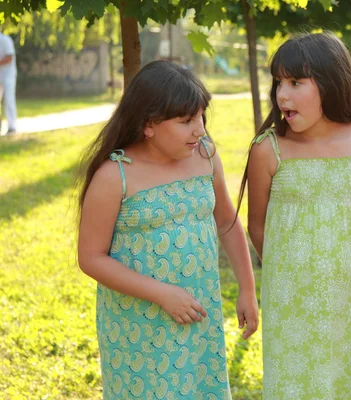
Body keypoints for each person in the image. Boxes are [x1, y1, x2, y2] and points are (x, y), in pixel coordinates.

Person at [77, 60, 258, 399]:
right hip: (139, 322)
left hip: (198, 308)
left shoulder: (205, 155)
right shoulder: (115, 176)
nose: (200, 129)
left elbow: (227, 222)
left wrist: (247, 289)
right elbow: (91, 258)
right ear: (149, 124)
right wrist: (162, 294)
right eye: (186, 121)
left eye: (202, 116)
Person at [239, 32, 351, 399]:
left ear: (331, 82)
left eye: (295, 82)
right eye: (278, 82)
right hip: (291, 302)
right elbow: (256, 225)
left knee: (348, 384)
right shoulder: (269, 149)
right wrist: (290, 272)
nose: (281, 95)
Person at [0, 31, 17, 135]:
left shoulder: (5, 40)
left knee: (9, 99)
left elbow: (9, 58)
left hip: (8, 75)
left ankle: (12, 126)